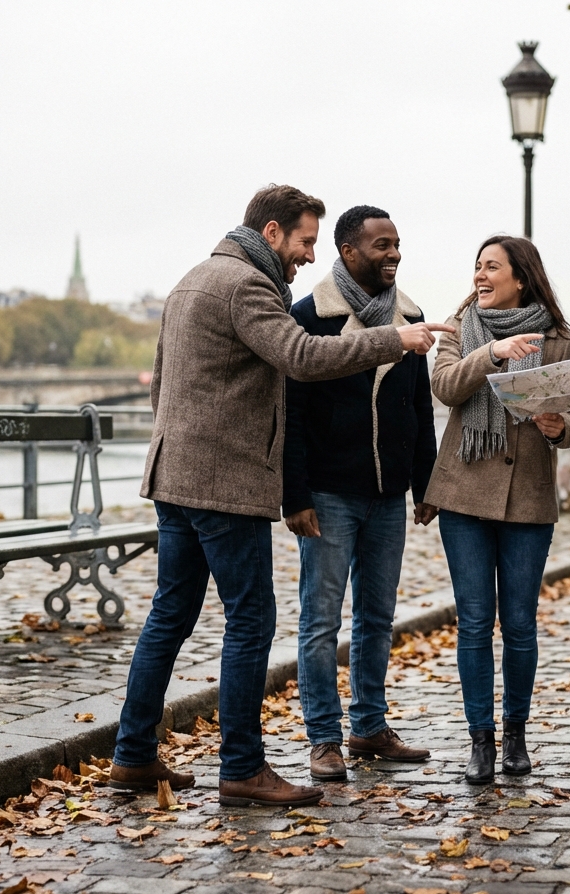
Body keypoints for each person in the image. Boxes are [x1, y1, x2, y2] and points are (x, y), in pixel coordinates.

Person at [109, 185, 452, 808]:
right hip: (223, 484)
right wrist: (393, 341)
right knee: (250, 620)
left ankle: (132, 756)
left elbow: (161, 383)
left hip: (173, 477)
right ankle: (241, 766)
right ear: (271, 232)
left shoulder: (191, 279)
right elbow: (299, 357)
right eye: (303, 241)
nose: (305, 256)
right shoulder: (247, 285)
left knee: (169, 615)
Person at [423, 236, 570, 784]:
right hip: (464, 494)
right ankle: (481, 742)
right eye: (476, 266)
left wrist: (561, 427)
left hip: (529, 497)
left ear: (522, 277)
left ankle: (515, 733)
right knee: (474, 622)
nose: (480, 275)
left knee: (518, 623)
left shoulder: (559, 338)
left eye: (491, 266)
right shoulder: (460, 328)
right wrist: (492, 354)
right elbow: (444, 387)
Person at [282, 205, 438, 781]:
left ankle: (369, 727)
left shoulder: (411, 316)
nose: (393, 253)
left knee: (378, 616)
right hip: (327, 495)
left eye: (397, 243)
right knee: (320, 620)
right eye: (381, 245)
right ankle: (323, 737)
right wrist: (293, 496)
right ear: (347, 252)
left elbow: (420, 410)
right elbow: (291, 416)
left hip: (388, 495)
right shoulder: (308, 318)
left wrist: (426, 483)